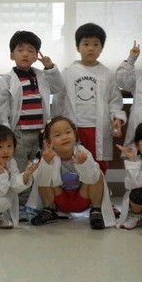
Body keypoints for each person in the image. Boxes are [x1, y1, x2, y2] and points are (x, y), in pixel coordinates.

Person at [0, 30, 63, 217]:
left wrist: (50, 68)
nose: (25, 54)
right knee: (21, 170)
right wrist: (6, 131)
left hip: (41, 134)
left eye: (31, 51)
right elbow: (1, 108)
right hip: (19, 134)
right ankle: (22, 205)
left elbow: (58, 87)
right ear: (12, 55)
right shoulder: (7, 80)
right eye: (20, 50)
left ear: (36, 56)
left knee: (41, 169)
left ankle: (40, 204)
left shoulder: (42, 75)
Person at [52, 23, 126, 173]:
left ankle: (98, 188)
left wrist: (117, 118)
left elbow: (114, 100)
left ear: (102, 48)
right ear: (78, 47)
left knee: (97, 164)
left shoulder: (107, 74)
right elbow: (58, 100)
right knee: (72, 163)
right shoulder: (68, 73)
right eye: (86, 44)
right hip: (73, 128)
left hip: (98, 128)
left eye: (96, 44)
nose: (91, 48)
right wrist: (54, 123)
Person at [27, 116, 116, 229]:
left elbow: (92, 177)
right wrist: (46, 163)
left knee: (97, 174)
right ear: (49, 141)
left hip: (83, 197)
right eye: (58, 135)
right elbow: (41, 180)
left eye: (68, 132)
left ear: (75, 135)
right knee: (42, 173)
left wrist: (84, 164)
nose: (64, 137)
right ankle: (49, 209)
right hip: (59, 200)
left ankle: (96, 210)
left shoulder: (82, 152)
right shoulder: (49, 155)